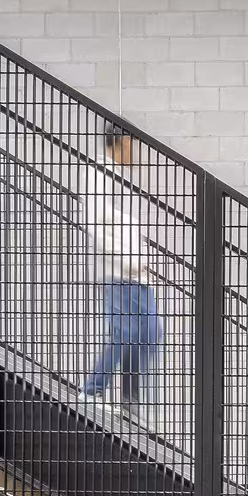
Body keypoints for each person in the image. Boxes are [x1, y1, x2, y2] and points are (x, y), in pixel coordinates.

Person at [83, 124, 163, 419]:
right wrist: (128, 261)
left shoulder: (117, 176)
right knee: (128, 335)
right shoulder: (99, 173)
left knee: (147, 333)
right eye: (131, 144)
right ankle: (93, 391)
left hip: (135, 276)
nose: (134, 152)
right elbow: (95, 226)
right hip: (121, 275)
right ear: (119, 143)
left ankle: (130, 401)